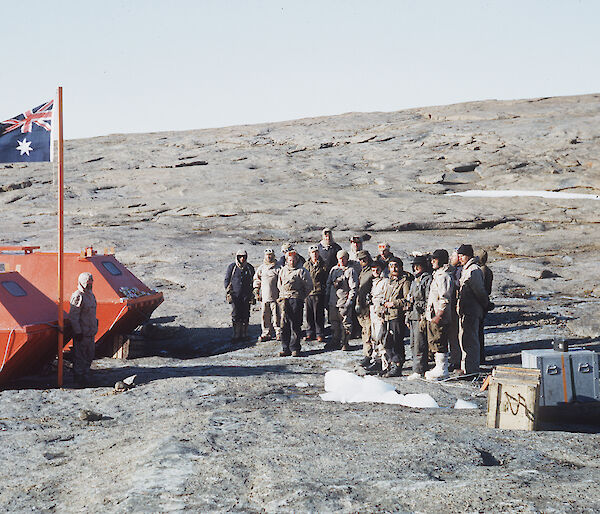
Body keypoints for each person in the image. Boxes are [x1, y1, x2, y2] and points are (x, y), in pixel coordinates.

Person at [456, 244, 490, 375]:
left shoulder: (473, 270)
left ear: (469, 255)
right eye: (459, 255)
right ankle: (466, 368)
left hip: (472, 310)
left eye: (462, 255)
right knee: (464, 339)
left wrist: (485, 304)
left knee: (471, 341)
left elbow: (479, 291)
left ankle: (472, 369)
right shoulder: (467, 269)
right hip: (465, 310)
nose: (460, 258)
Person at [424, 249, 454, 381]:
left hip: (440, 316)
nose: (432, 262)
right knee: (435, 340)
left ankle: (442, 368)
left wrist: (440, 314)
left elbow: (445, 297)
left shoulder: (444, 276)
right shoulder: (438, 274)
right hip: (433, 313)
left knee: (440, 340)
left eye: (434, 260)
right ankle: (438, 366)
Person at [380, 257, 412, 377]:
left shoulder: (405, 281)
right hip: (388, 315)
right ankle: (390, 362)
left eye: (396, 265)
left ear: (401, 267)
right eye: (391, 266)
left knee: (396, 342)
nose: (394, 268)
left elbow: (407, 300)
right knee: (387, 341)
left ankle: (397, 365)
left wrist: (394, 303)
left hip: (397, 315)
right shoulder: (390, 281)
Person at [277, 249, 313, 357]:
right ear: (287, 260)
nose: (291, 262)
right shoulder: (283, 270)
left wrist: (301, 296)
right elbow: (279, 284)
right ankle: (285, 348)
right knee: (284, 325)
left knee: (296, 324)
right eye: (290, 260)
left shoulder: (302, 271)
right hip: (284, 299)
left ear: (296, 260)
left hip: (296, 299)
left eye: (293, 260)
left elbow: (309, 286)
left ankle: (295, 348)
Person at [68, 272, 98, 386]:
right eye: (87, 283)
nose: (89, 285)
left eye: (90, 283)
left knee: (89, 355)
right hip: (82, 332)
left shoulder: (91, 295)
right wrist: (78, 331)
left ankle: (86, 374)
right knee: (80, 356)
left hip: (91, 332)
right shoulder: (77, 296)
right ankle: (79, 377)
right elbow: (73, 316)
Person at [406, 255, 433, 380]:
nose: (416, 268)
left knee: (419, 344)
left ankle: (419, 369)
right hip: (412, 315)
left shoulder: (427, 279)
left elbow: (428, 300)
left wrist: (416, 303)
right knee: (413, 344)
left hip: (420, 316)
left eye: (419, 265)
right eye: (415, 266)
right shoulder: (414, 280)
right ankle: (416, 368)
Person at [326, 249, 358, 351]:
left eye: (344, 258)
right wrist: (327, 297)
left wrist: (349, 301)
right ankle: (335, 340)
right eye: (340, 258)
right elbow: (328, 284)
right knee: (334, 322)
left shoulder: (350, 271)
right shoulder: (334, 270)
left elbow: (353, 288)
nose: (342, 260)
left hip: (344, 302)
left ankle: (345, 342)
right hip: (333, 301)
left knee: (346, 324)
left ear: (347, 258)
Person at [224, 248, 255, 342]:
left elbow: (254, 280)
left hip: (246, 295)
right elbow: (227, 280)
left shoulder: (249, 267)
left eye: (244, 257)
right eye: (240, 257)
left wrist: (253, 293)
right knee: (236, 314)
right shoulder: (232, 267)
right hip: (235, 295)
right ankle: (236, 334)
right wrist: (228, 291)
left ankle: (244, 333)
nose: (242, 259)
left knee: (245, 314)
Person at [364, 260, 388, 373]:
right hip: (373, 311)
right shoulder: (374, 282)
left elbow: (386, 298)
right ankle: (376, 360)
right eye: (373, 270)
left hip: (380, 313)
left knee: (381, 338)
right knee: (374, 337)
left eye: (377, 270)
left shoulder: (385, 282)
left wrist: (383, 312)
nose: (375, 272)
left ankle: (384, 363)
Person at [253, 248, 281, 342]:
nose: (269, 256)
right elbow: (257, 280)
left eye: (270, 255)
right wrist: (256, 291)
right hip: (264, 297)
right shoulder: (261, 268)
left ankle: (278, 332)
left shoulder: (279, 267)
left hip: (276, 297)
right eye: (267, 255)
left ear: (273, 256)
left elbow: (282, 281)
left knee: (277, 316)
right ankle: (266, 333)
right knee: (265, 316)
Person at [304, 245, 328, 342]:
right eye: (313, 252)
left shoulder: (323, 264)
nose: (315, 254)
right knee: (309, 314)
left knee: (319, 314)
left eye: (316, 252)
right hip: (308, 293)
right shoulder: (306, 265)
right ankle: (310, 332)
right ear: (309, 254)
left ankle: (320, 333)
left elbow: (326, 278)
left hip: (319, 293)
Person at [355, 250, 374, 366]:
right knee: (365, 331)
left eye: (364, 259)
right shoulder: (362, 272)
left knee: (370, 331)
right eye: (361, 260)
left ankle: (370, 355)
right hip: (361, 306)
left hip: (369, 306)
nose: (362, 261)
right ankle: (367, 353)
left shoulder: (373, 271)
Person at [475, 249, 494, 364]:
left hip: (480, 303)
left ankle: (480, 356)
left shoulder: (481, 271)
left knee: (477, 331)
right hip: (484, 301)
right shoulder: (487, 270)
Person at [447, 248, 462, 371]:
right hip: (451, 306)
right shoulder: (453, 269)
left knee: (455, 335)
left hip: (456, 306)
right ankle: (454, 357)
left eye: (453, 256)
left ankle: (456, 359)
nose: (451, 259)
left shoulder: (460, 271)